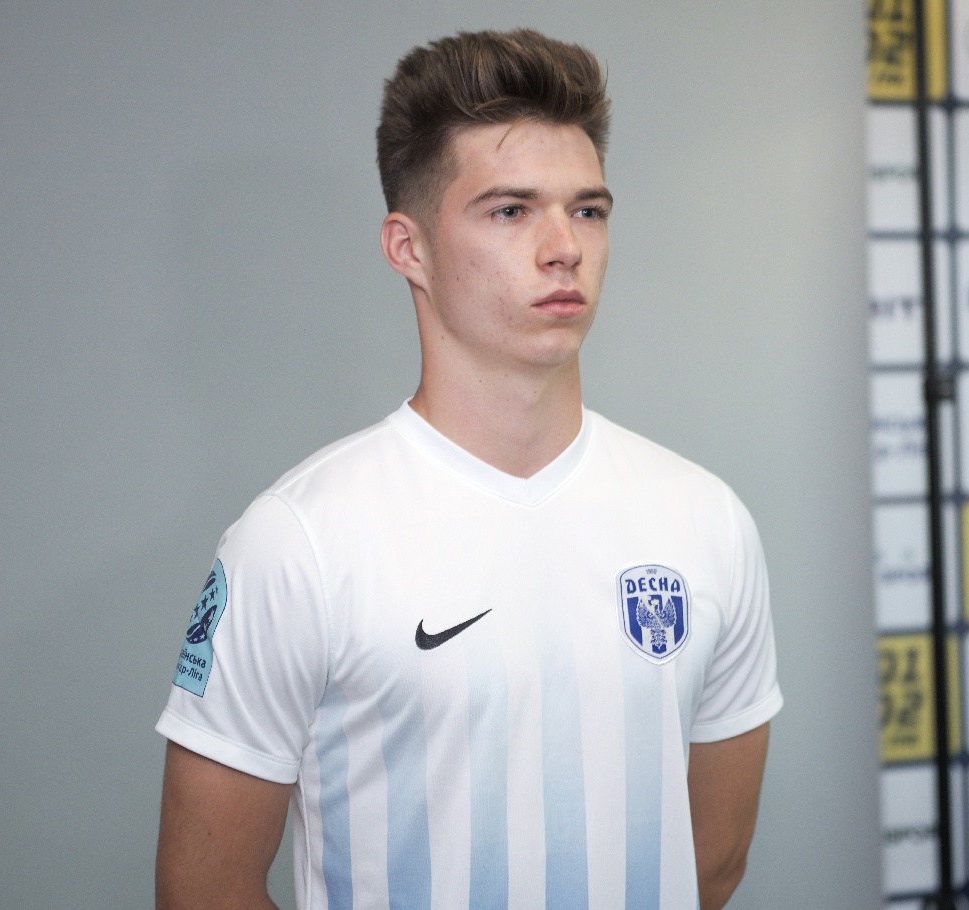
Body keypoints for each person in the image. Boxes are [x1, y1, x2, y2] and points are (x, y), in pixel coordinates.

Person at [155, 28, 781, 910]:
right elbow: (201, 888)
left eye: (587, 210)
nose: (563, 247)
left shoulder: (706, 520)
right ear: (407, 248)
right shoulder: (298, 540)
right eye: (510, 211)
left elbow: (710, 861)